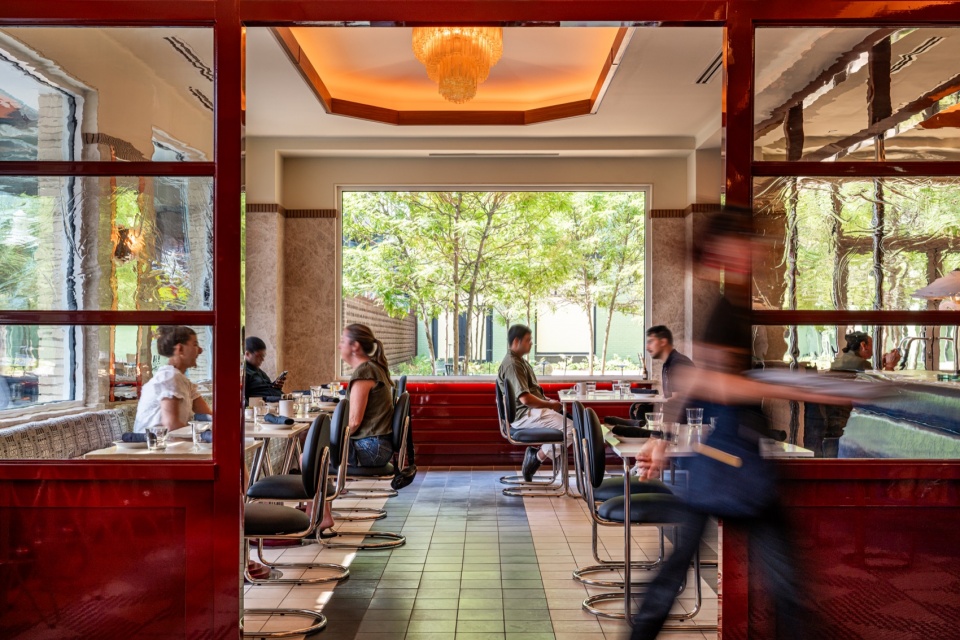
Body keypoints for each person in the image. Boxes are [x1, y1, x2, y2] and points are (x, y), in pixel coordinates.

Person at [630, 207, 846, 640]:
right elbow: (713, 384)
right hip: (732, 460)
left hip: (722, 458)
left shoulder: (727, 306)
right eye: (748, 241)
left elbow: (693, 381)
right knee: (784, 581)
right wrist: (805, 387)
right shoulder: (725, 310)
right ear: (724, 249)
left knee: (684, 567)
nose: (757, 248)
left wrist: (661, 437)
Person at [497, 324, 573, 482]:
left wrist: (547, 401)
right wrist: (550, 405)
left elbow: (530, 393)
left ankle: (552, 467)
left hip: (529, 412)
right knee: (573, 429)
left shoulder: (519, 361)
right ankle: (537, 457)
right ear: (516, 341)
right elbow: (525, 399)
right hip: (525, 415)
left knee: (572, 421)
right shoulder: (513, 364)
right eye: (528, 340)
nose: (531, 343)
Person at [607, 325, 694, 432]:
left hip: (687, 417)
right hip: (676, 411)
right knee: (637, 407)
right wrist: (653, 403)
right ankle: (633, 426)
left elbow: (678, 400)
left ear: (663, 342)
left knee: (642, 411)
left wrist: (655, 406)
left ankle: (632, 427)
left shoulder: (678, 363)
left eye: (651, 342)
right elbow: (668, 397)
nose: (647, 347)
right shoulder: (668, 364)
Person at [133, 325, 212, 432]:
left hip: (169, 440)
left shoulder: (184, 382)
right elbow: (171, 425)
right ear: (180, 349)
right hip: (152, 442)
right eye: (195, 344)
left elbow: (208, 415)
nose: (200, 350)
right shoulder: (169, 377)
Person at [339, 324, 397, 468]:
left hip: (370, 447)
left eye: (343, 341)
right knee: (318, 448)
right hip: (378, 445)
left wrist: (332, 436)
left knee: (308, 457)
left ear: (355, 346)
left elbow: (354, 422)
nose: (339, 346)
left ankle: (329, 483)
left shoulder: (364, 372)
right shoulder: (373, 368)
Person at [830, 330, 900, 372]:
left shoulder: (843, 360)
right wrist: (890, 365)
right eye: (872, 345)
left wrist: (881, 364)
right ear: (863, 345)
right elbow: (878, 387)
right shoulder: (861, 364)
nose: (873, 349)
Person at [244, 336, 284, 403]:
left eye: (263, 356)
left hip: (278, 400)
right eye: (259, 356)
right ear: (247, 354)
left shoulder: (259, 371)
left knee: (301, 395)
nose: (262, 359)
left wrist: (275, 386)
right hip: (265, 404)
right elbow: (242, 398)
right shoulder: (244, 373)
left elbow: (267, 388)